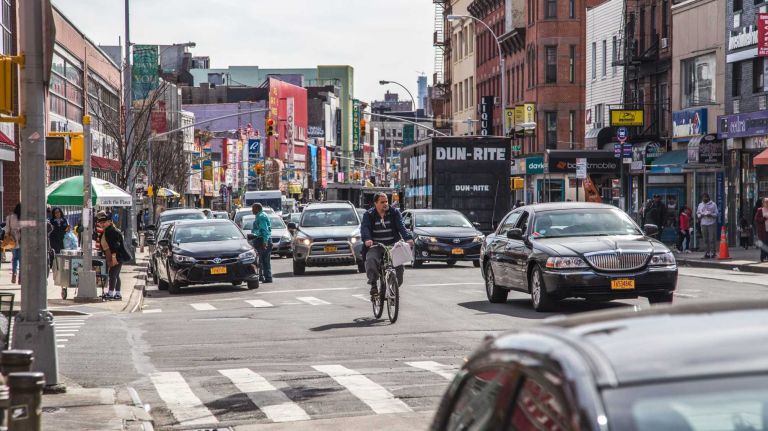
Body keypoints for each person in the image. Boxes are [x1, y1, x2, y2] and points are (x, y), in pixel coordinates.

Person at [361, 192, 414, 297]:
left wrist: (408, 238)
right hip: (376, 246)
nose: (385, 204)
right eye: (382, 202)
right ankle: (373, 285)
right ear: (375, 203)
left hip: (392, 246)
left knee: (399, 269)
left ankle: (392, 288)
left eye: (386, 201)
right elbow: (365, 228)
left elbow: (401, 226)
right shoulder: (369, 215)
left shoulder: (394, 212)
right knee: (371, 259)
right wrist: (367, 239)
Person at [96, 211, 131, 300]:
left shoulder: (111, 231)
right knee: (116, 275)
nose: (102, 224)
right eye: (100, 223)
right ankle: (118, 294)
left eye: (104, 222)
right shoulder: (106, 231)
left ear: (109, 222)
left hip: (116, 256)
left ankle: (111, 293)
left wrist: (114, 257)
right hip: (112, 256)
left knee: (112, 274)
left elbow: (115, 245)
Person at [250, 203, 272, 283]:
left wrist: (265, 241)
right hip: (261, 240)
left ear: (257, 209)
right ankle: (263, 277)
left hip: (262, 240)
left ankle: (267, 277)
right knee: (262, 260)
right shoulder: (260, 215)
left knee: (263, 260)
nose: (252, 210)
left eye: (253, 209)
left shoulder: (261, 216)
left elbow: (264, 230)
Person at [697, 193, 719, 259]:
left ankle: (713, 253)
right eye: (703, 198)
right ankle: (707, 253)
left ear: (708, 198)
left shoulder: (713, 204)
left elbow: (717, 213)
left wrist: (711, 215)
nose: (704, 199)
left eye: (705, 198)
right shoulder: (700, 205)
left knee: (712, 239)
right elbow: (698, 213)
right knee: (705, 239)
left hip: (711, 223)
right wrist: (700, 215)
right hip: (703, 223)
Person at [5, 204, 21, 284]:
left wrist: (7, 235)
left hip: (13, 239)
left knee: (15, 258)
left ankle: (14, 273)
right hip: (22, 239)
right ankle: (21, 276)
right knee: (22, 258)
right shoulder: (25, 217)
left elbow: (7, 229)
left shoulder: (10, 217)